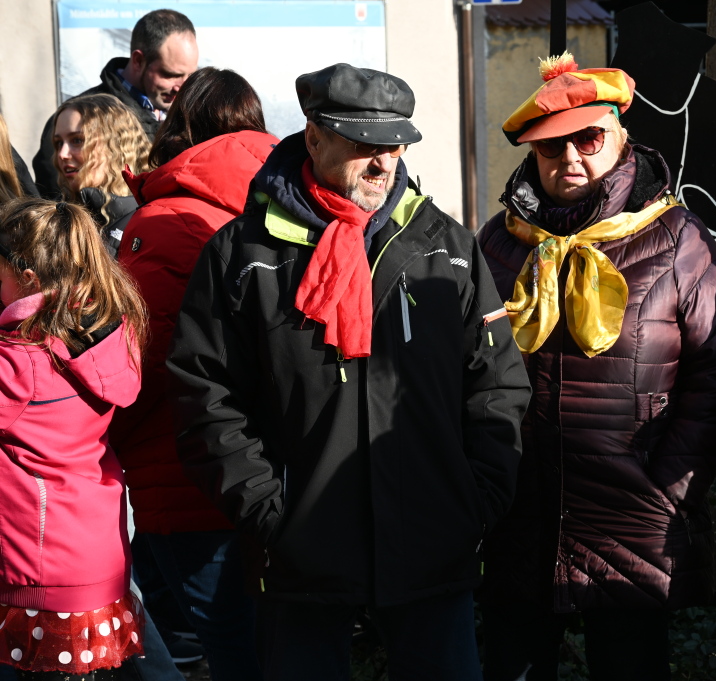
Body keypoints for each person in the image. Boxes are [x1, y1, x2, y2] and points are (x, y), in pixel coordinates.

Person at [165, 63, 531, 680]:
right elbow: (205, 398)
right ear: (313, 138)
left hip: (432, 549)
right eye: (363, 144)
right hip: (300, 556)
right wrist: (270, 512)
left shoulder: (446, 246)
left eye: (394, 145)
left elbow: (496, 384)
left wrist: (474, 501)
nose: (383, 162)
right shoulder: (242, 254)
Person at [476, 53, 716, 681]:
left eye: (587, 138)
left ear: (620, 135)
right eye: (549, 148)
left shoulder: (678, 238)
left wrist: (668, 488)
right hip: (519, 519)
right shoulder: (499, 240)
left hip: (631, 516)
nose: (569, 159)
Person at [109, 66, 277, 681]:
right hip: (276, 475)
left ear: (179, 125)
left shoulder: (162, 221)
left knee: (221, 652)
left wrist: (105, 439)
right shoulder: (294, 206)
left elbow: (139, 363)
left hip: (182, 472)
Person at [0, 197, 148, 680]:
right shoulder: (103, 335)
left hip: (39, 571)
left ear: (26, 278)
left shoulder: (19, 363)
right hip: (94, 560)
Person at [33, 9, 197, 198]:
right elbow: (52, 193)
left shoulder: (188, 114)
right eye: (170, 75)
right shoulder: (75, 116)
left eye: (190, 76)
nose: (182, 87)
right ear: (138, 60)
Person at [51, 93, 151, 256]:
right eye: (59, 143)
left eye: (77, 140)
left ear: (115, 147)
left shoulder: (150, 220)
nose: (62, 154)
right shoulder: (54, 219)